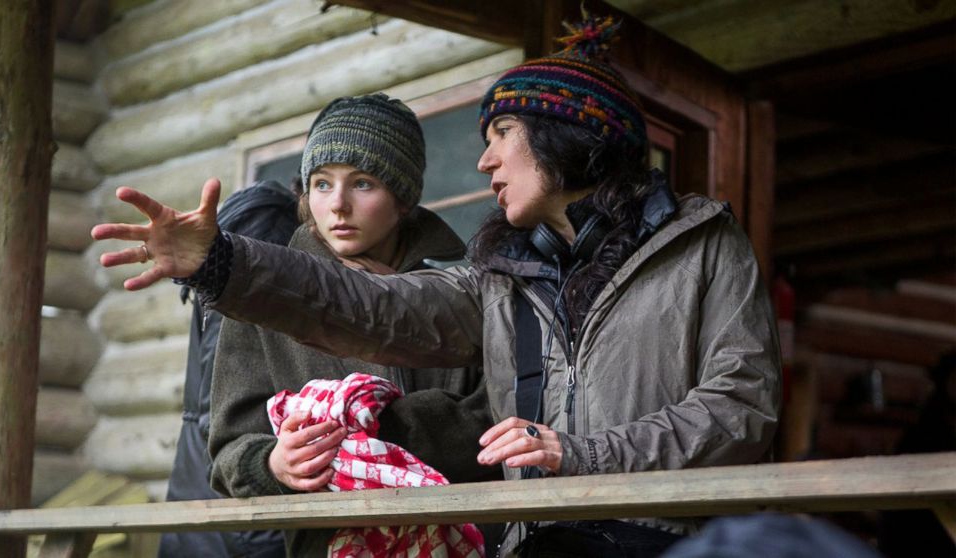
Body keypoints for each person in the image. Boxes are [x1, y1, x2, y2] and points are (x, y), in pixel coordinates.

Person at [92, 13, 780, 558]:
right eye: (321, 184)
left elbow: (741, 408)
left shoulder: (704, 246)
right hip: (529, 545)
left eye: (502, 131)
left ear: (565, 134)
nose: (483, 159)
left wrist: (584, 455)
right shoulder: (501, 279)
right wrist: (222, 263)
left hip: (667, 545)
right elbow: (370, 307)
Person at [210, 94, 499, 556]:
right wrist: (274, 464)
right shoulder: (264, 298)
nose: (338, 206)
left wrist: (376, 429)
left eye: (362, 183)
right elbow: (227, 452)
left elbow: (494, 421)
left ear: (403, 199)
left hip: (456, 540)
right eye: (322, 184)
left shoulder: (461, 291)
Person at [159, 180, 299, 558]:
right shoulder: (269, 230)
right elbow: (221, 400)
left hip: (205, 487)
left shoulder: (253, 222)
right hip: (235, 503)